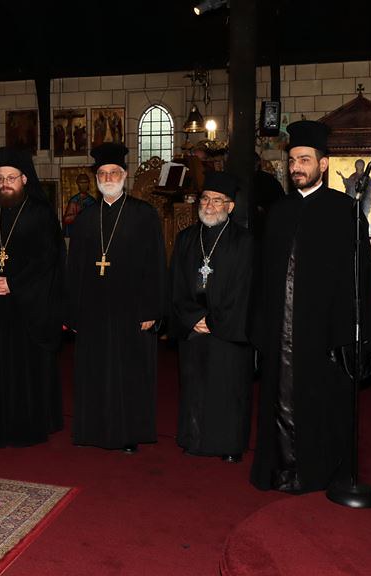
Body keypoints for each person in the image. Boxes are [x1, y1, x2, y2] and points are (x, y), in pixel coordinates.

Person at [250, 120, 371, 494]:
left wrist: (364, 337)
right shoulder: (278, 212)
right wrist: (259, 334)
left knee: (322, 406)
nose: (296, 167)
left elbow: (363, 282)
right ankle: (280, 471)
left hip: (326, 335)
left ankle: (319, 474)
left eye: (304, 160)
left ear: (323, 164)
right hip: (281, 333)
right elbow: (263, 279)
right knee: (278, 404)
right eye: (293, 160)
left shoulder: (345, 211)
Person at [67, 142, 167, 453]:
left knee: (129, 373)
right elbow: (74, 269)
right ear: (96, 177)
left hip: (132, 309)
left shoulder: (144, 214)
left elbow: (156, 265)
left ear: (124, 175)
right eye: (102, 173)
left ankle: (128, 435)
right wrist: (73, 313)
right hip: (94, 310)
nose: (108, 177)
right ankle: (92, 430)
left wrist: (152, 308)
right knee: (94, 370)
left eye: (114, 172)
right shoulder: (85, 219)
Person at [0, 146, 64, 448]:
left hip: (26, 310)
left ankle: (25, 427)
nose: (5, 183)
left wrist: (13, 285)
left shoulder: (41, 214)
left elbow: (48, 261)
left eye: (11, 178)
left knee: (23, 370)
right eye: (0, 178)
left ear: (25, 179)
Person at [170, 172, 255, 463]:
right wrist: (192, 317)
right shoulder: (185, 239)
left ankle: (229, 445)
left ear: (230, 206)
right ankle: (193, 439)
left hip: (228, 330)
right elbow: (176, 283)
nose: (209, 205)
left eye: (217, 201)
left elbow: (245, 290)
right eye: (205, 199)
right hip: (194, 326)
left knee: (227, 389)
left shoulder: (245, 242)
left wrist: (215, 321)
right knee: (193, 385)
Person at [337, 158, 371, 225]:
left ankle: (363, 224)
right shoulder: (353, 176)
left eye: (361, 165)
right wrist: (341, 176)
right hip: (353, 197)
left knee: (363, 212)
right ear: (355, 166)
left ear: (363, 166)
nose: (359, 166)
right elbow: (348, 183)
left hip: (364, 198)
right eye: (358, 165)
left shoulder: (366, 176)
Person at [62, 171, 96, 236]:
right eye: (81, 183)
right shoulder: (74, 200)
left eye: (85, 182)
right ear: (78, 184)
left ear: (88, 183)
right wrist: (78, 215)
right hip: (77, 232)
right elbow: (66, 219)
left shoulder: (92, 201)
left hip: (89, 233)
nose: (83, 185)